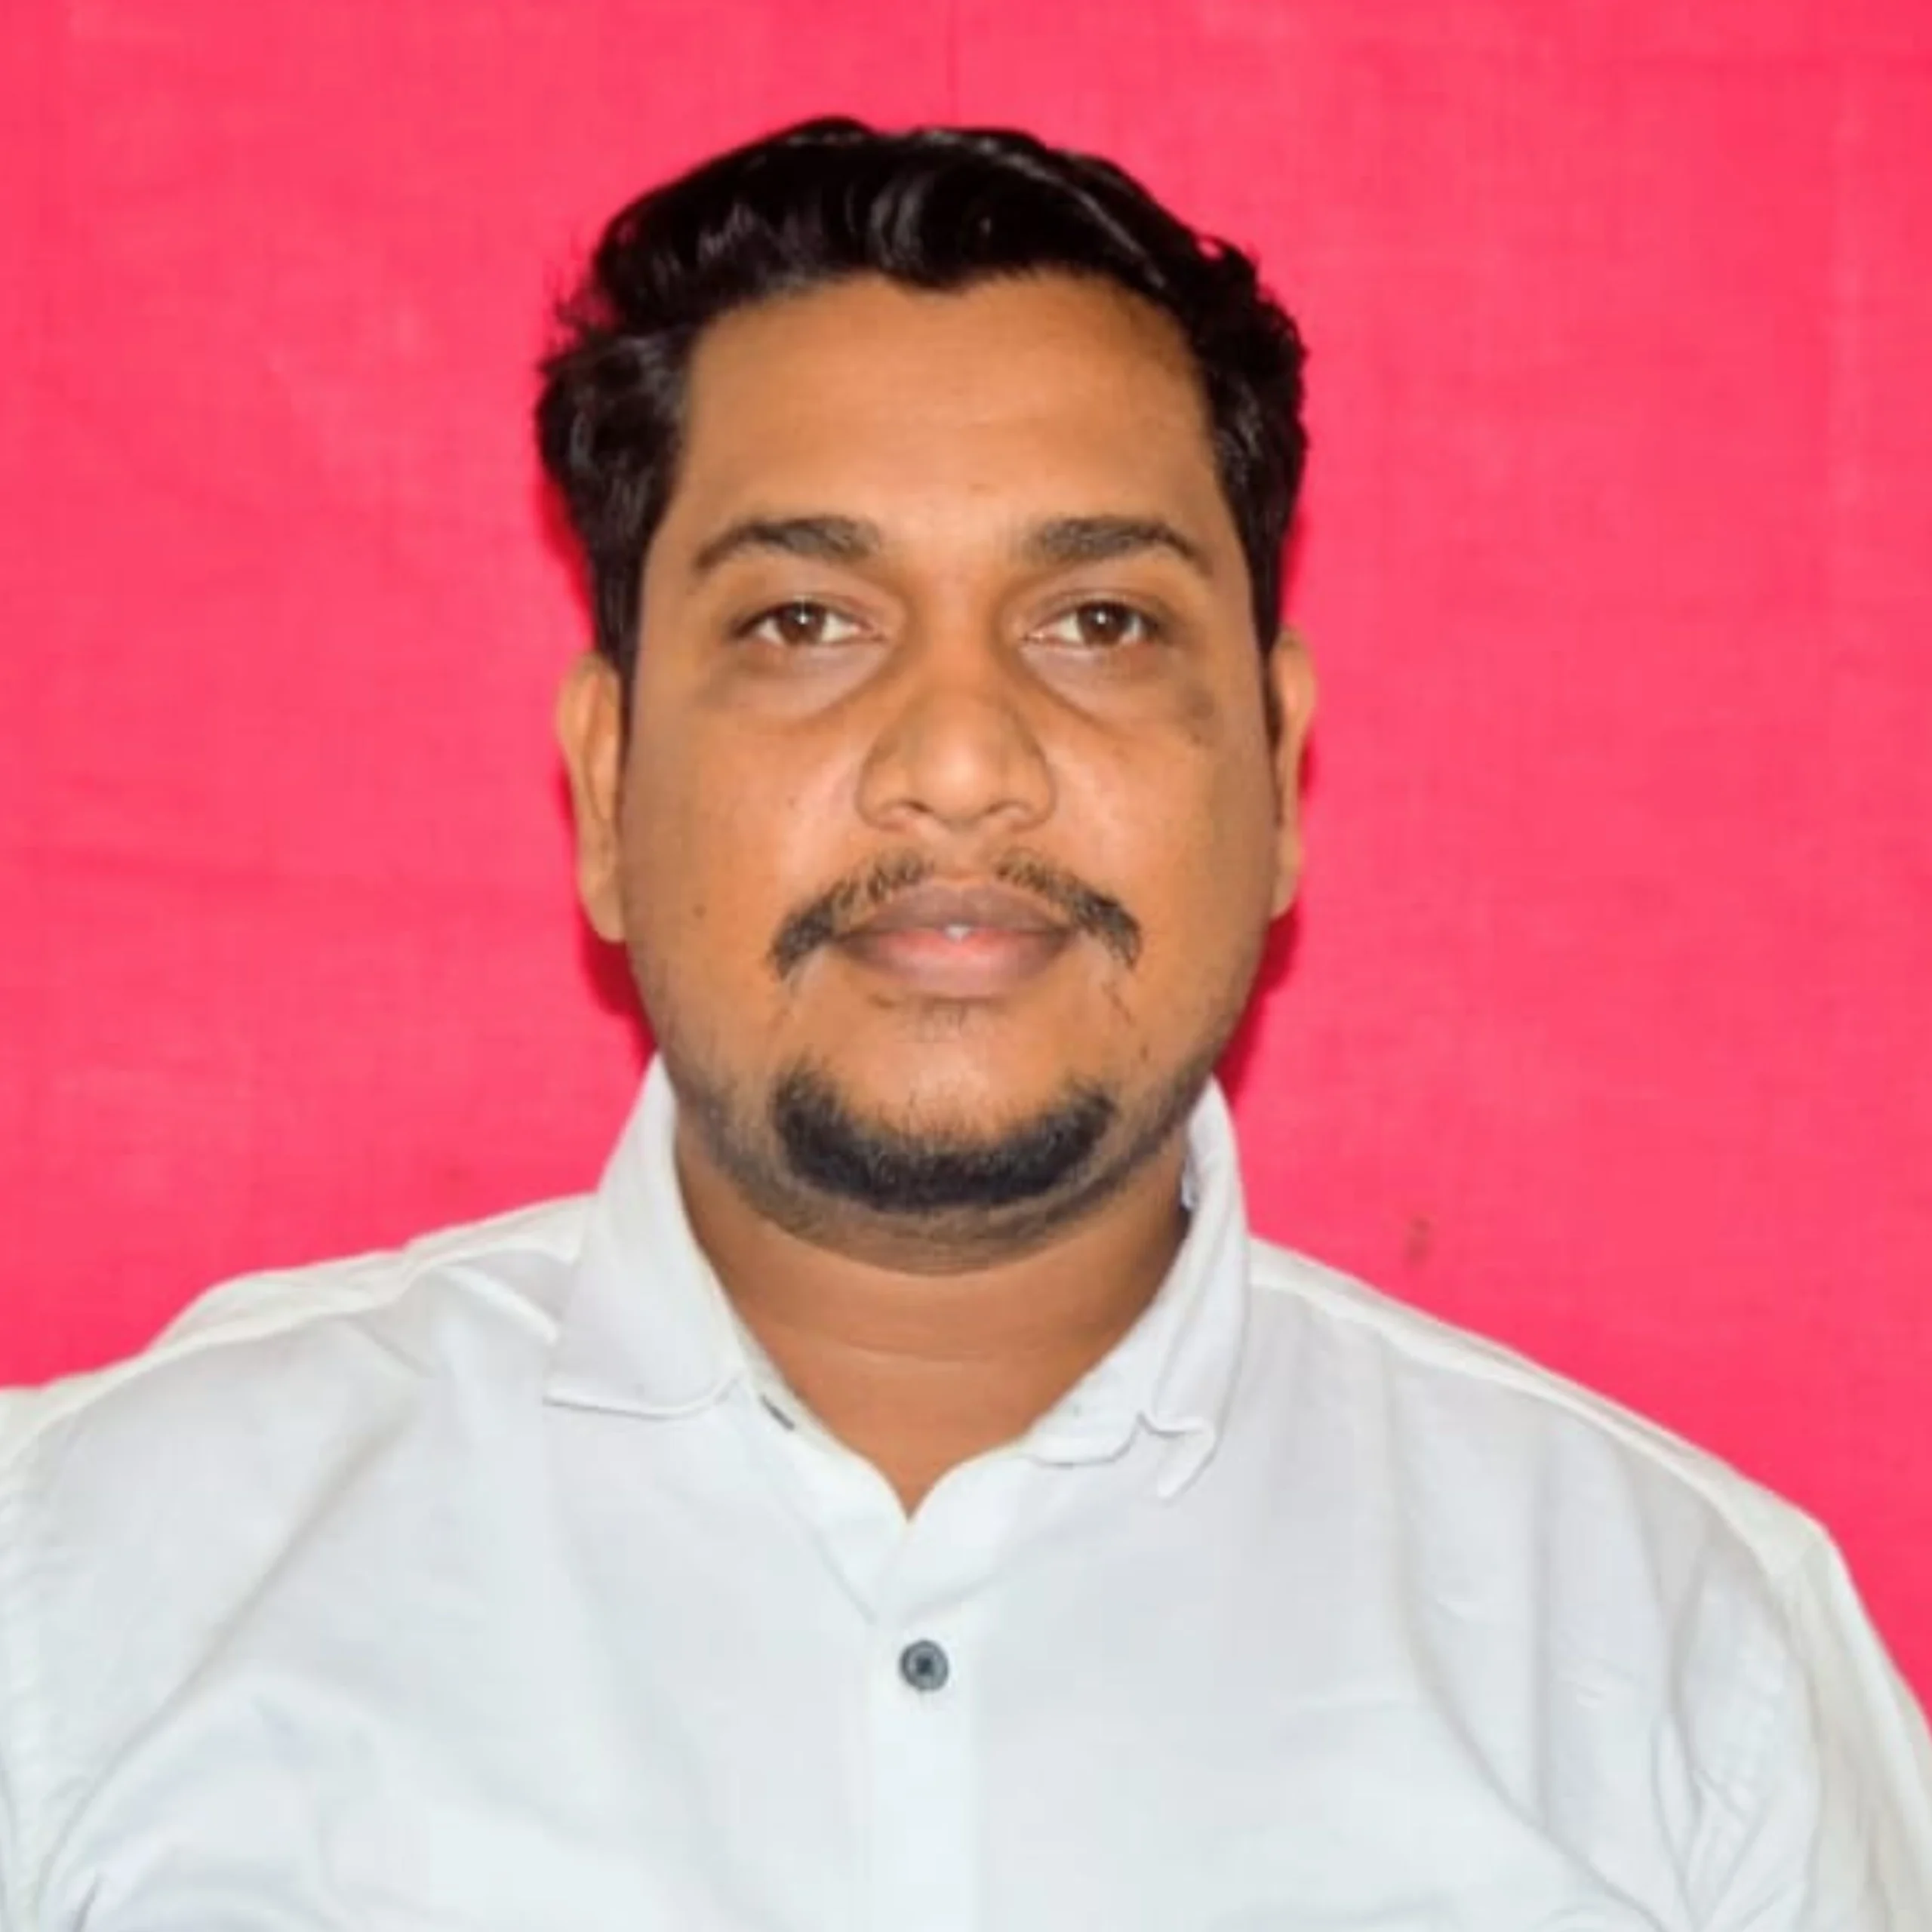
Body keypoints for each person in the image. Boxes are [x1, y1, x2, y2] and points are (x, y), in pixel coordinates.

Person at [0, 116, 1926, 1930]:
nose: (956, 758)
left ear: (1276, 771)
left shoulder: (1689, 1671)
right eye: (803, 622)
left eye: (1096, 621)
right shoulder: (82, 1588)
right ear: (602, 787)